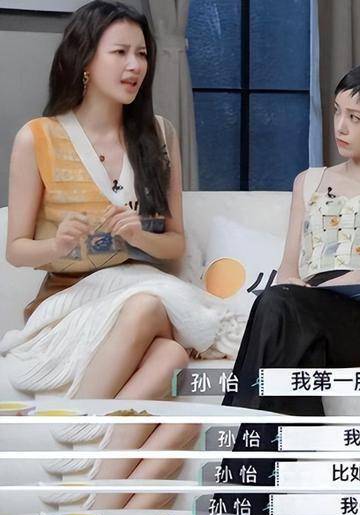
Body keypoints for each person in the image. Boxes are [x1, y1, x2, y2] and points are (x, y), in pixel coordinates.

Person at [0, 0, 241, 401]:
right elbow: (16, 250)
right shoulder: (38, 137)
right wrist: (58, 245)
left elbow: (175, 244)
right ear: (85, 60)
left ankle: (81, 431)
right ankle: (88, 428)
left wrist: (139, 236)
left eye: (142, 54)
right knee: (155, 321)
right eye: (120, 52)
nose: (135, 66)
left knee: (167, 349)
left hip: (141, 296)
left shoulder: (159, 135)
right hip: (68, 306)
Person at [223, 62, 360, 415]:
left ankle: (241, 434)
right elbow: (289, 267)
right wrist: (300, 287)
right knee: (283, 313)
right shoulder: (308, 181)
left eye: (355, 118)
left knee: (280, 311)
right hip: (305, 304)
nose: (340, 126)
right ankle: (285, 446)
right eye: (337, 111)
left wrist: (349, 280)